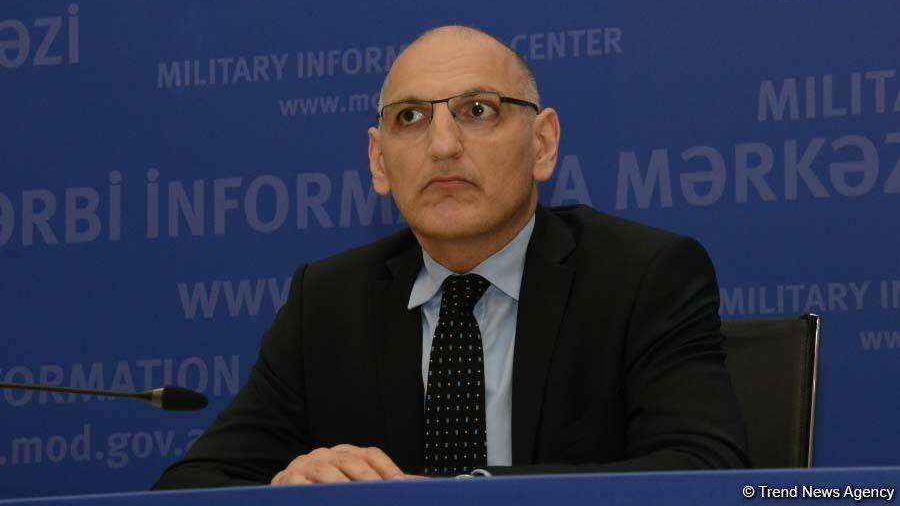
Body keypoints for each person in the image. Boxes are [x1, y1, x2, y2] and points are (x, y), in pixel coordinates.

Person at [152, 25, 750, 489]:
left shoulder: (642, 275)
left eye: (478, 110)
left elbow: (706, 469)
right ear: (379, 162)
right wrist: (284, 488)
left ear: (542, 144)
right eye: (410, 118)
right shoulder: (327, 303)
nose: (442, 145)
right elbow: (189, 485)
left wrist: (468, 494)